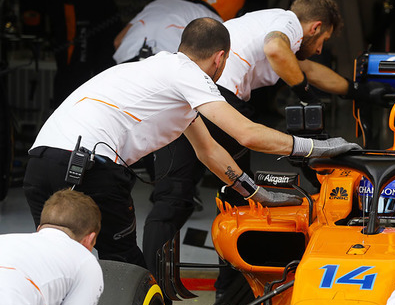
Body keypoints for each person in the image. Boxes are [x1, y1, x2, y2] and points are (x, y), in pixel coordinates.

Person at [23, 17, 360, 269]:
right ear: (220, 59)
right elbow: (247, 134)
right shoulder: (189, 75)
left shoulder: (154, 73)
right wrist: (318, 147)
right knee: (124, 266)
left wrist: (255, 194)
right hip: (93, 166)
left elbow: (208, 151)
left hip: (40, 163)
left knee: (57, 262)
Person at [144, 0, 387, 297]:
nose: (320, 48)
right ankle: (231, 300)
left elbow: (306, 69)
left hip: (184, 97)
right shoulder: (285, 24)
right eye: (323, 40)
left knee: (170, 200)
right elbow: (277, 51)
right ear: (314, 27)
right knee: (239, 198)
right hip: (219, 98)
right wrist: (305, 96)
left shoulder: (262, 23)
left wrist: (356, 91)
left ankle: (151, 294)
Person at [110, 0, 246, 278]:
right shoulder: (214, 30)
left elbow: (118, 40)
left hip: (126, 82)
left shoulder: (162, 2)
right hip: (167, 91)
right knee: (174, 197)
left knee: (160, 195)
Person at [113, 0, 246, 63]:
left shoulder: (162, 1)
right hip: (164, 74)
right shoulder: (216, 25)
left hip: (125, 68)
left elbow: (118, 41)